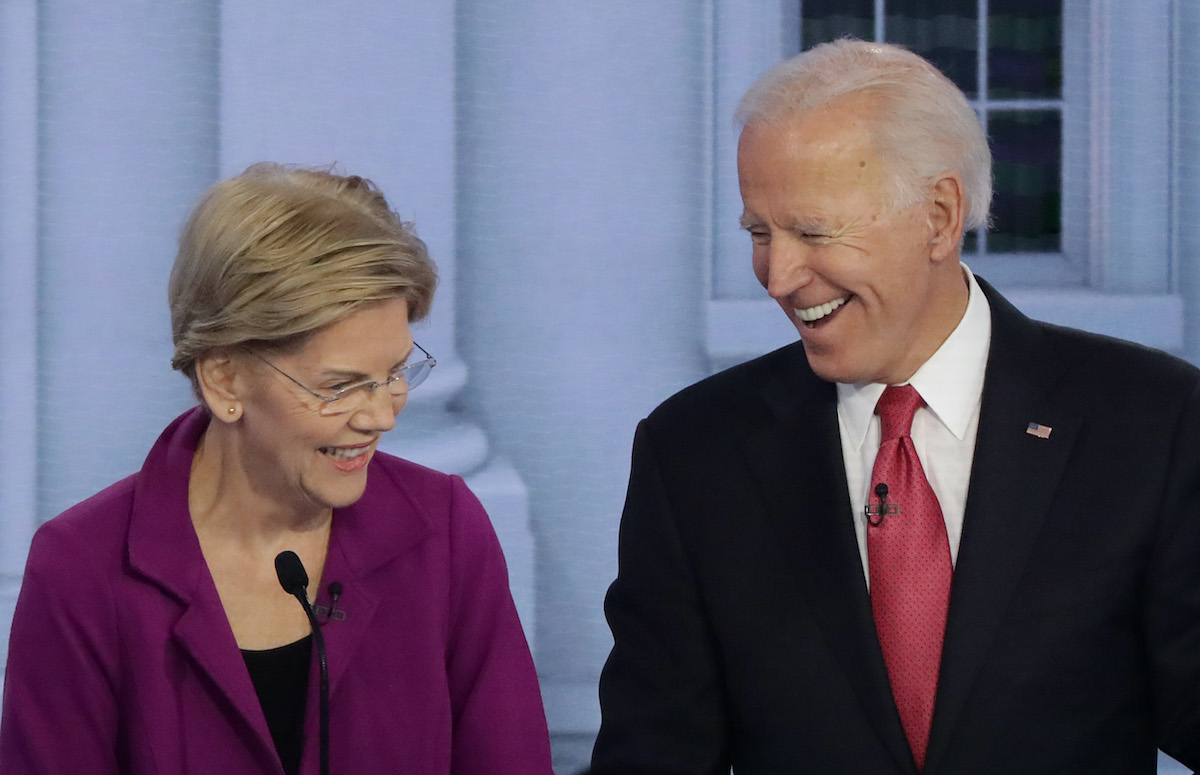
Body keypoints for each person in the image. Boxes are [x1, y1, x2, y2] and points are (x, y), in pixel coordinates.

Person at [591, 40, 1200, 774]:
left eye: (813, 231)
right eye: (759, 233)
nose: (779, 276)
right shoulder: (695, 451)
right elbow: (652, 754)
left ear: (939, 216)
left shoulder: (1153, 422)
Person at [0, 164, 553, 774]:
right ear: (224, 378)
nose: (381, 417)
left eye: (395, 373)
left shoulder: (444, 531)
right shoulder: (82, 568)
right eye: (340, 386)